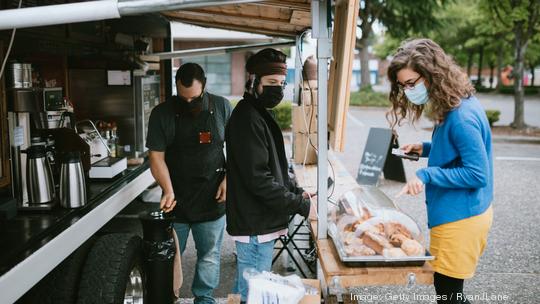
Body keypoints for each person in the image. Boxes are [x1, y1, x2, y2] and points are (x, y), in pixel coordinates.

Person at [388, 39, 493, 304]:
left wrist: (426, 174)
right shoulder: (456, 103)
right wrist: (424, 148)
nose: (408, 91)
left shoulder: (461, 117)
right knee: (449, 294)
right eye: (403, 86)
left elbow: (477, 174)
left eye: (411, 83)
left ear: (432, 75)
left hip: (461, 218)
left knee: (449, 297)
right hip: (461, 212)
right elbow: (457, 149)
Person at [225, 48, 316, 302]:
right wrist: (300, 205)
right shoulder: (247, 119)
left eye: (281, 83)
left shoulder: (258, 113)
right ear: (253, 82)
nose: (278, 89)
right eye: (271, 83)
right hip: (255, 225)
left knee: (248, 290)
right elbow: (258, 180)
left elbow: (272, 169)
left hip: (260, 223)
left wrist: (298, 193)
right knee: (254, 295)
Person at [146, 62, 232, 304]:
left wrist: (228, 178)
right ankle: (168, 298)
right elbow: (156, 157)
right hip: (176, 200)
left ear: (204, 87)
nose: (188, 104)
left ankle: (204, 299)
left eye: (194, 99)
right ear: (176, 88)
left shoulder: (222, 106)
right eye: (183, 99)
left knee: (209, 256)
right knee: (170, 257)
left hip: (212, 195)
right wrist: (168, 189)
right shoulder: (162, 113)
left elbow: (237, 148)